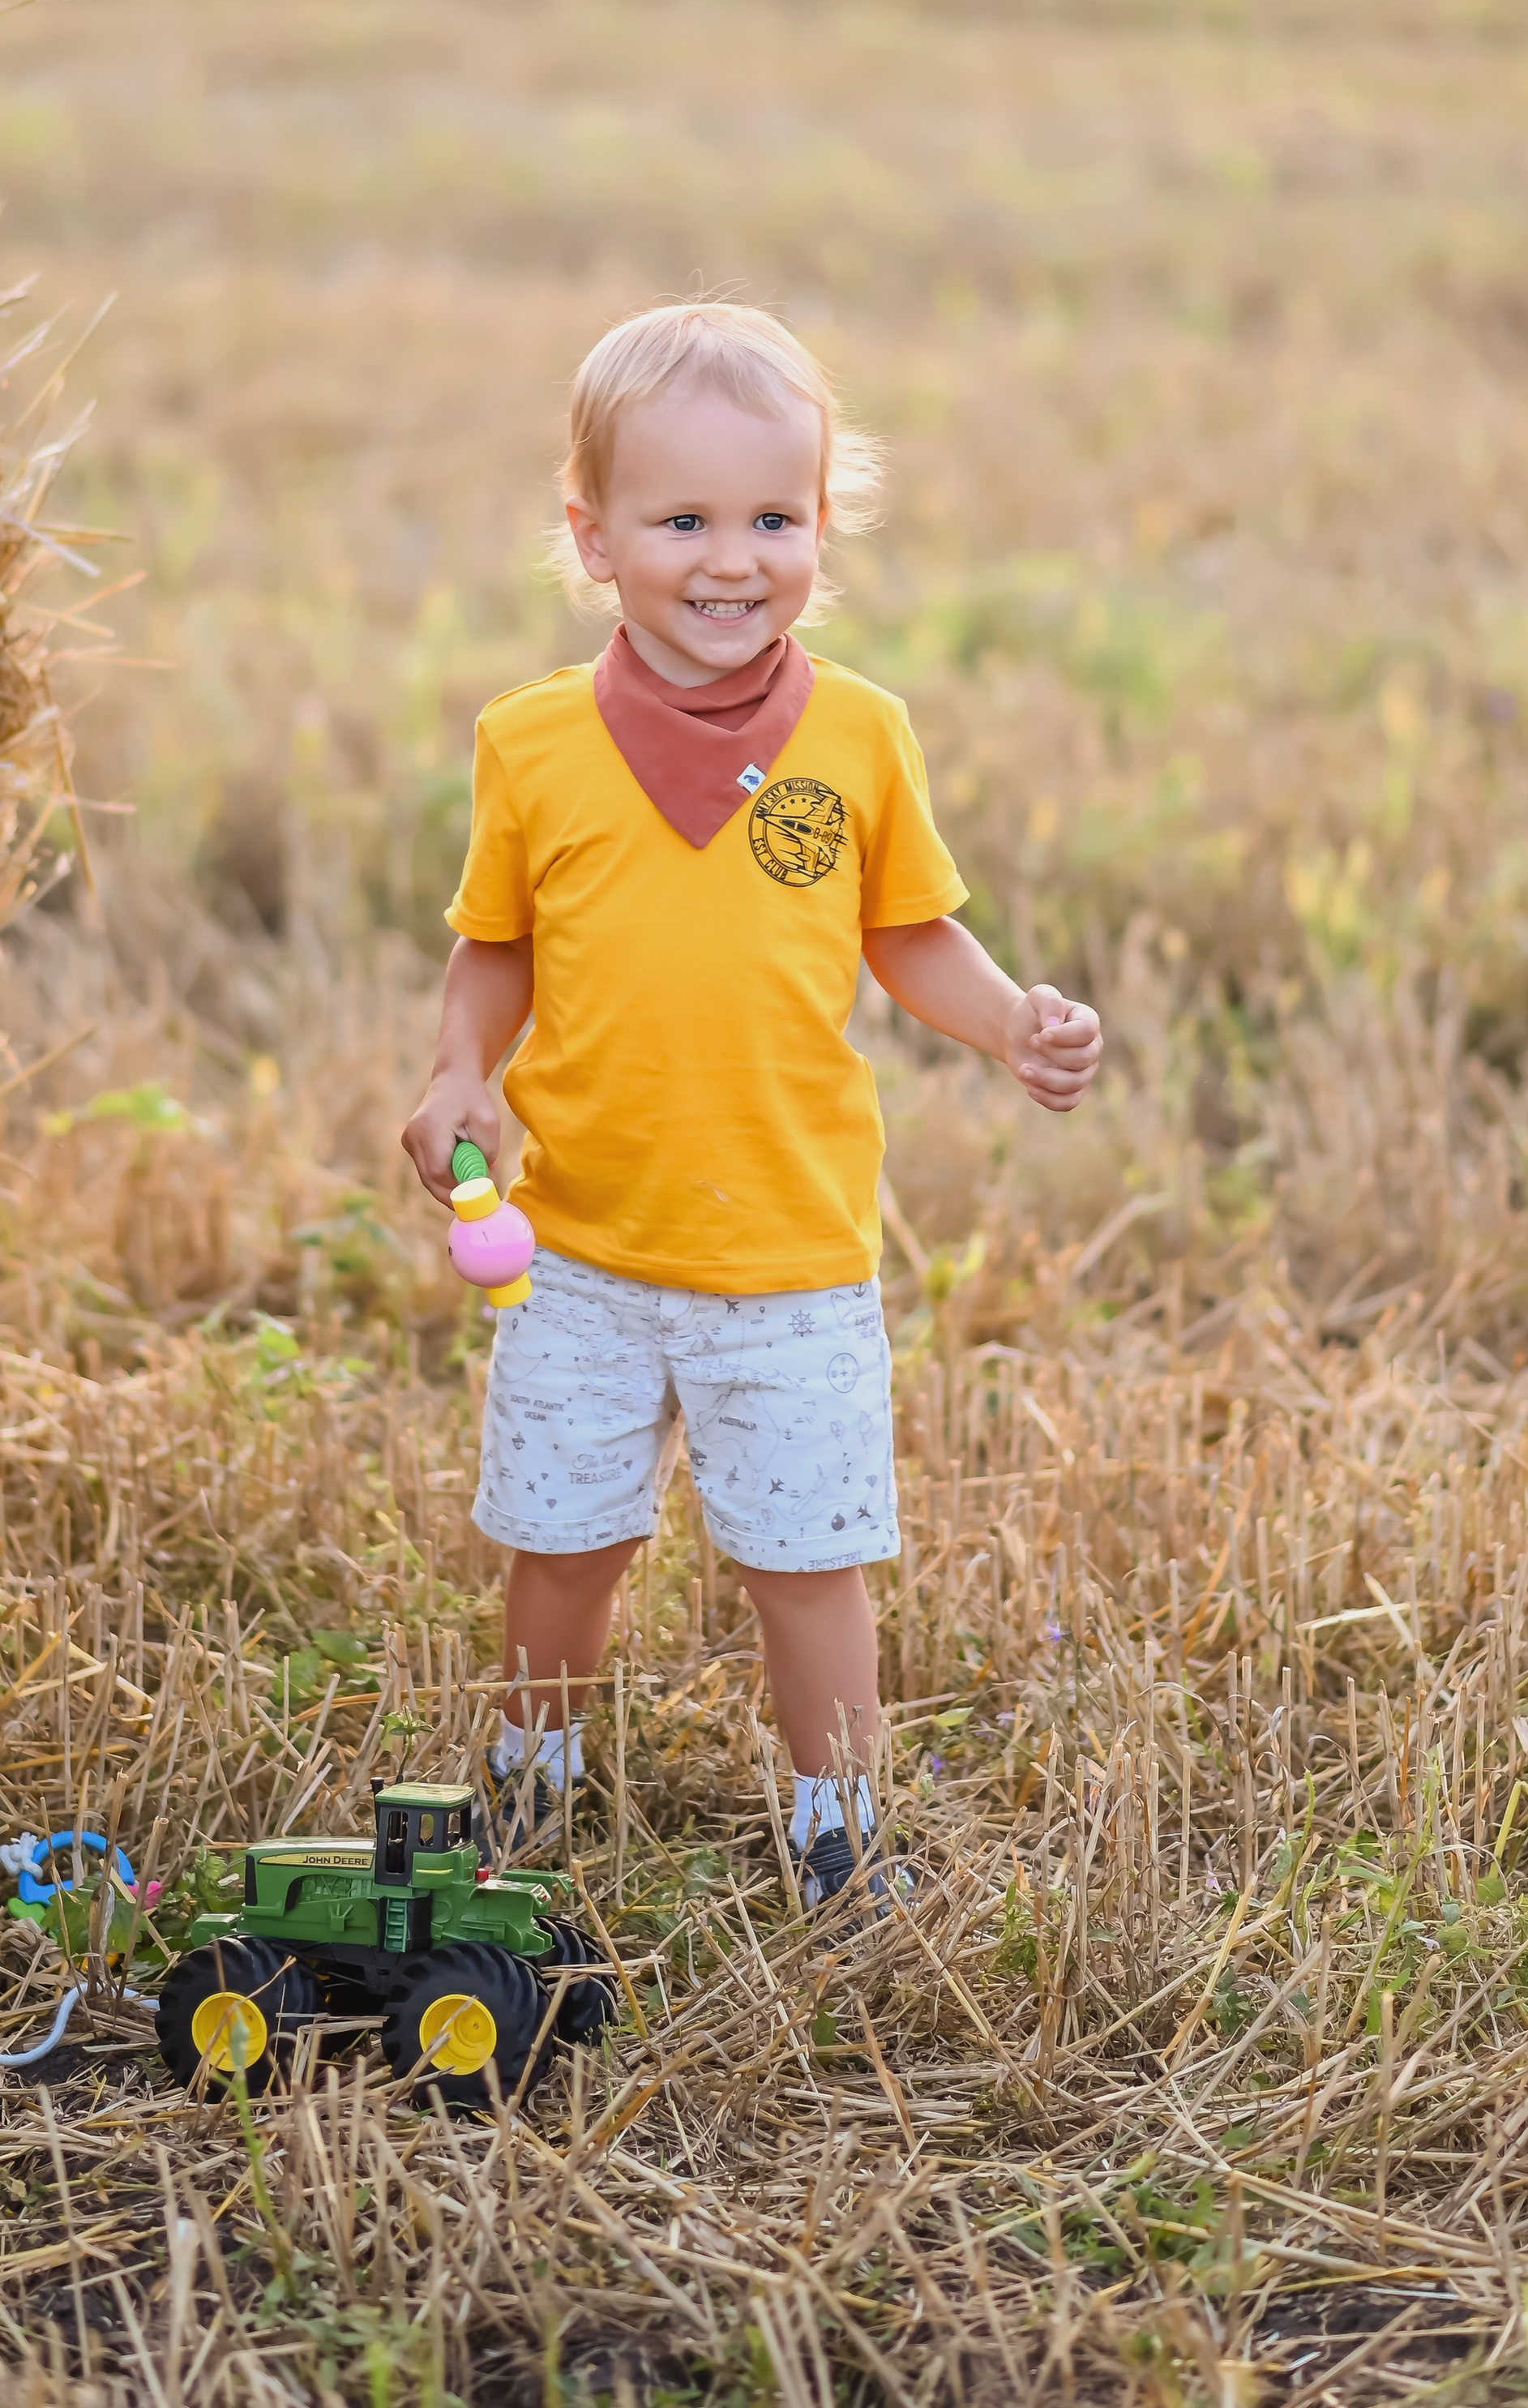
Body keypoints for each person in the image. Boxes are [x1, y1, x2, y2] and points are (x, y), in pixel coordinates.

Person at [400, 302, 1102, 1905]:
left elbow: (907, 931)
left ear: (821, 527)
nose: (733, 560)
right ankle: (531, 1775)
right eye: (683, 520)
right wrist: (456, 1071)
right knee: (561, 1547)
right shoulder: (531, 745)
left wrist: (1008, 1024)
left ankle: (833, 1825)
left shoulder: (858, 737)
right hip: (579, 1245)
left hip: (787, 1252)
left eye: (773, 518)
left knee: (808, 1562)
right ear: (590, 536)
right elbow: (488, 949)